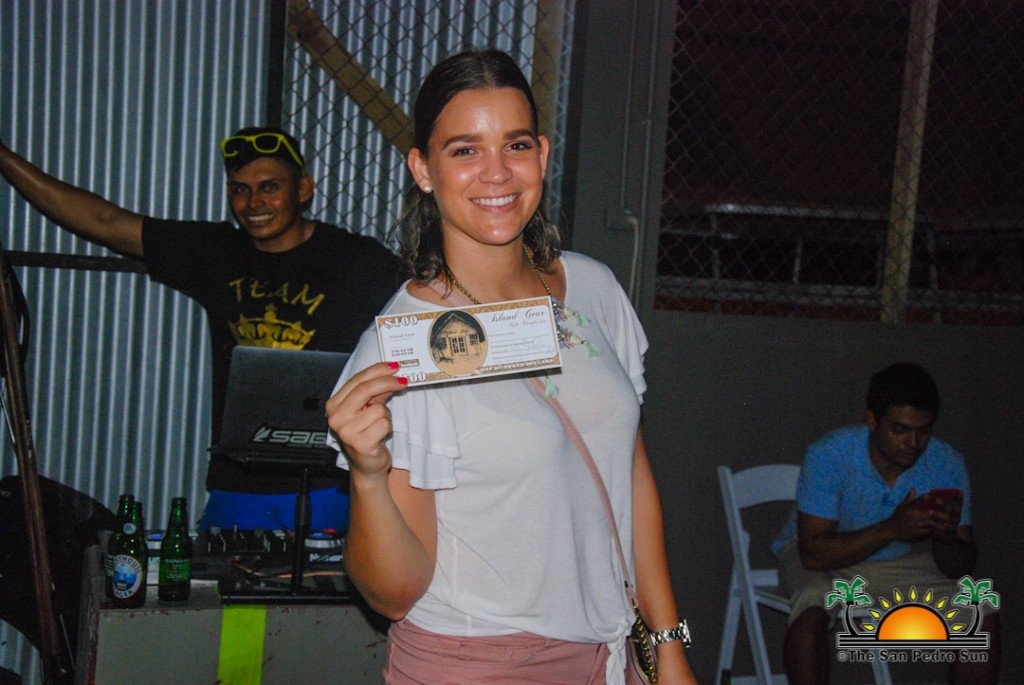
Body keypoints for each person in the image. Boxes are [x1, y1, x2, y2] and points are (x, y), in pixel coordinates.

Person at [325, 50, 696, 684]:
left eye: (516, 145)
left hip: (610, 653)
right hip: (478, 659)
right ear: (423, 169)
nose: (496, 173)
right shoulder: (403, 345)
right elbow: (393, 594)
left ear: (542, 156)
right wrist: (367, 473)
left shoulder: (594, 289)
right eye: (465, 150)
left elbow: (630, 476)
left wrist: (668, 646)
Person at [0, 126, 402, 531]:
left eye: (270, 187)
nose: (253, 203)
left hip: (331, 481)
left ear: (303, 189)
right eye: (240, 189)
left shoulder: (355, 260)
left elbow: (423, 309)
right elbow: (104, 221)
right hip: (238, 481)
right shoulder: (217, 252)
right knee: (217, 573)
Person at [772, 363, 1000, 685]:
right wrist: (894, 528)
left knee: (980, 609)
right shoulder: (830, 454)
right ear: (871, 420)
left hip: (893, 561)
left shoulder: (946, 463)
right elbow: (813, 554)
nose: (912, 442)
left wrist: (945, 536)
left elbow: (959, 567)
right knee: (812, 606)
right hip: (824, 555)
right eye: (899, 429)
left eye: (923, 431)